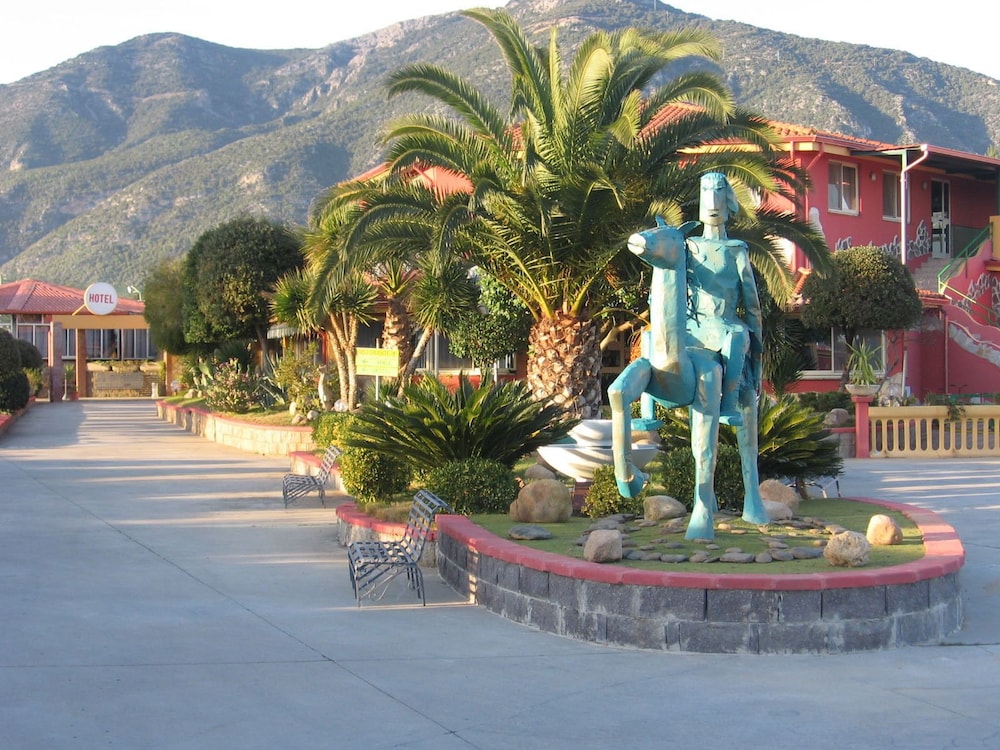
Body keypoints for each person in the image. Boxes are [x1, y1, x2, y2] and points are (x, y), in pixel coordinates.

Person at [684, 172, 763, 426]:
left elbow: (752, 306)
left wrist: (758, 361)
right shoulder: (689, 246)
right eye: (706, 190)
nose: (712, 199)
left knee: (737, 338)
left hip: (726, 325)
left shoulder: (736, 250)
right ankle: (648, 408)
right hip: (693, 327)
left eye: (718, 190)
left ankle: (729, 404)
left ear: (727, 197)